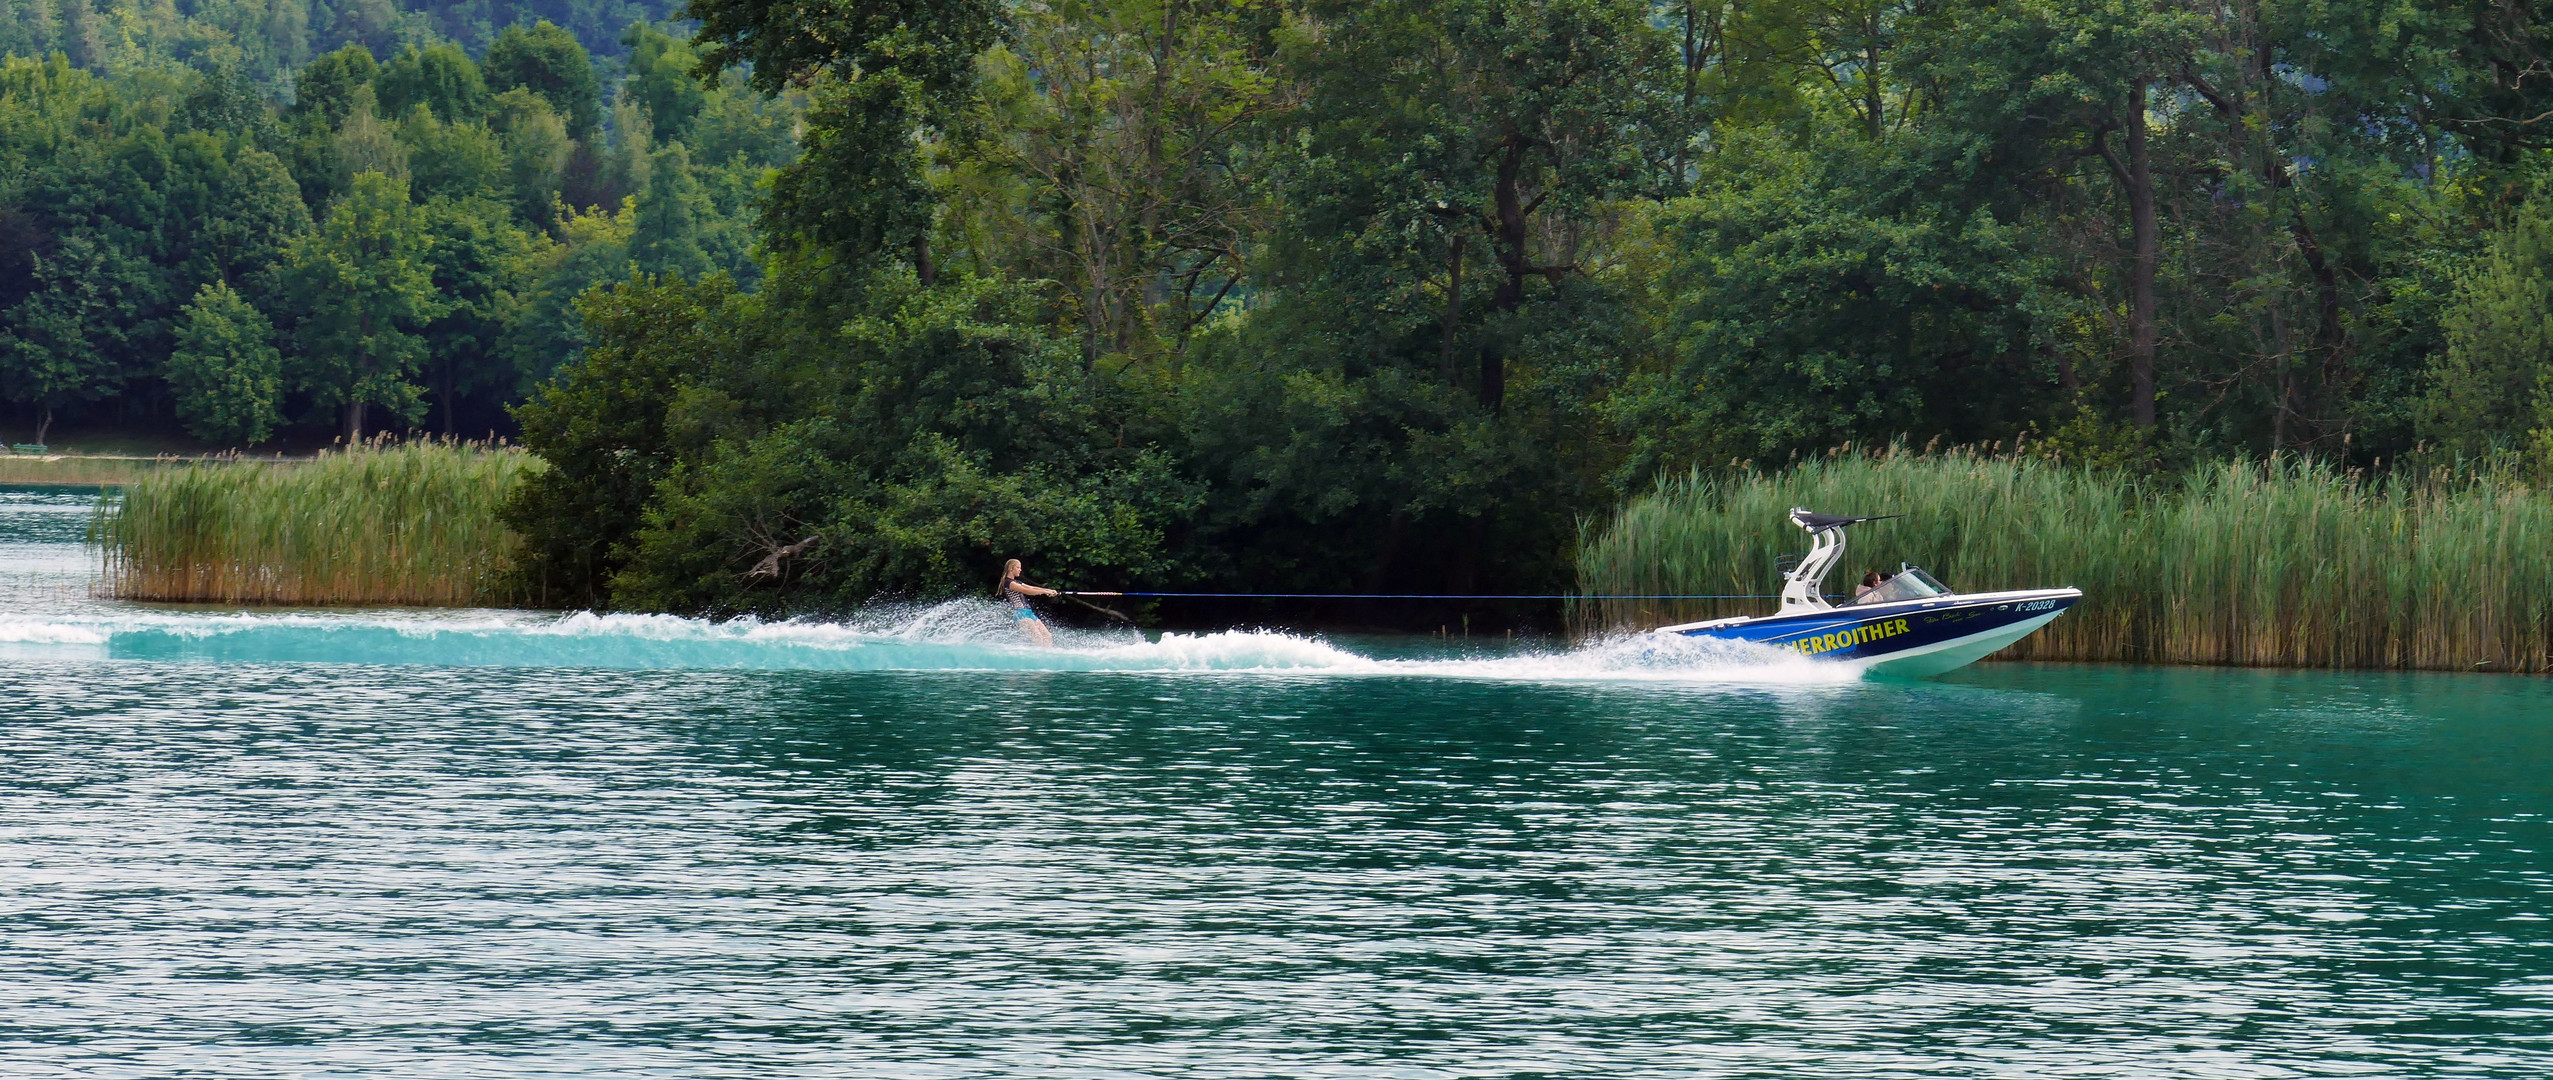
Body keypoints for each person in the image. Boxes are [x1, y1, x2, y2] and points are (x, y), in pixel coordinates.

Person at [997, 558, 1058, 646]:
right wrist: (1045, 592)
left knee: (1047, 636)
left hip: (1029, 613)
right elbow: (1027, 591)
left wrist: (1048, 590)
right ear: (1011, 568)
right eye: (1018, 567)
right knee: (1038, 638)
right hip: (1020, 614)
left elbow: (1032, 588)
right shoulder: (1008, 583)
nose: (1020, 570)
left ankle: (1048, 656)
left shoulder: (1017, 581)